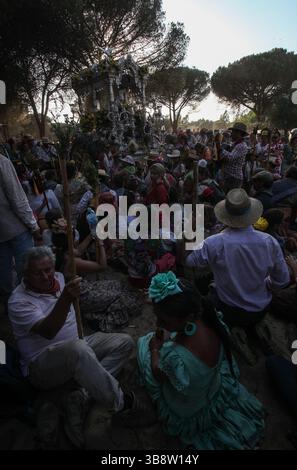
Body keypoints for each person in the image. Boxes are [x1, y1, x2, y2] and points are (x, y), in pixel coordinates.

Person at [8, 247, 142, 448]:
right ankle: (121, 403)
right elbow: (49, 330)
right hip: (42, 365)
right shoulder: (18, 302)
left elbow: (92, 265)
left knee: (124, 342)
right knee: (78, 350)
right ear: (25, 274)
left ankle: (82, 396)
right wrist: (66, 298)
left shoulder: (61, 278)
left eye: (48, 269)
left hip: (78, 347)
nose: (45, 276)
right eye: (37, 272)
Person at [137, 272, 265, 450]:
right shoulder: (214, 322)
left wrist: (155, 349)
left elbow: (158, 375)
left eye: (163, 319)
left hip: (189, 409)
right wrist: (161, 303)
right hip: (212, 388)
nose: (158, 323)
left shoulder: (176, 358)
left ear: (188, 317)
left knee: (144, 343)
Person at [183, 189, 290, 328]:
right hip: (259, 311)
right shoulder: (269, 242)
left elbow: (189, 261)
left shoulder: (214, 242)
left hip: (227, 310)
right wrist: (267, 284)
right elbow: (282, 280)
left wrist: (189, 231)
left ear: (226, 215)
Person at [0, 153, 41, 298]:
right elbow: (16, 197)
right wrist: (33, 225)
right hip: (16, 227)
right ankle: (25, 304)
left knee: (4, 273)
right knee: (26, 270)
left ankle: (10, 303)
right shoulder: (2, 162)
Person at [221, 123, 249, 193]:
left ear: (238, 133)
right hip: (229, 176)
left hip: (234, 178)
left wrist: (220, 149)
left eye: (233, 132)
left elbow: (230, 157)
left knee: (231, 200)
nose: (231, 134)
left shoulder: (241, 146)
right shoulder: (235, 144)